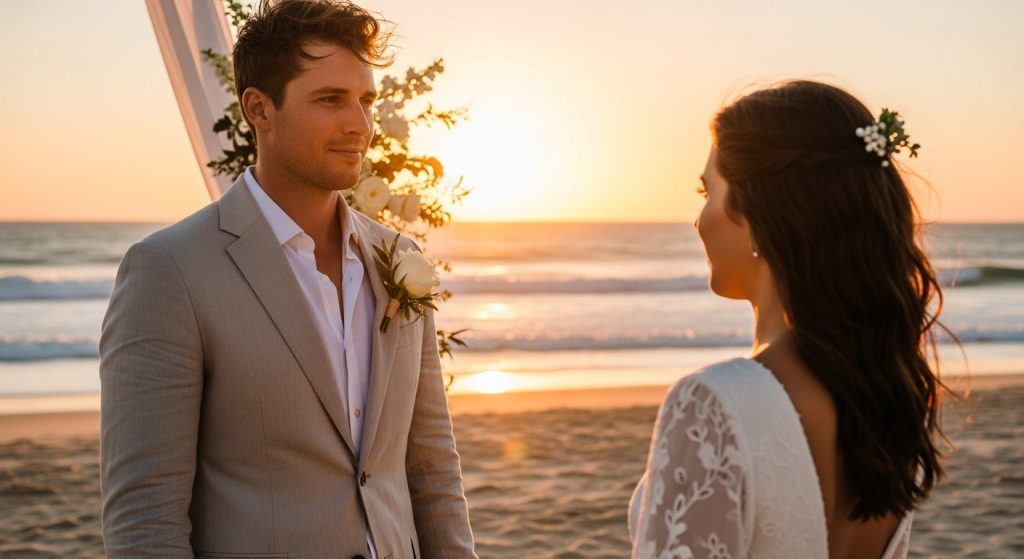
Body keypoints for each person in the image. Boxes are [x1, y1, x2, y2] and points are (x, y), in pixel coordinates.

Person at [100, 1, 476, 557]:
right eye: (330, 100)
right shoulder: (169, 271)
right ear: (259, 109)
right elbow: (145, 517)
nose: (360, 125)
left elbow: (432, 466)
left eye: (365, 101)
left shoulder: (399, 257)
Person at [628, 80, 946, 559]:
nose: (699, 219)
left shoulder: (714, 404)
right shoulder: (885, 403)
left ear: (756, 210)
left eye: (707, 190)